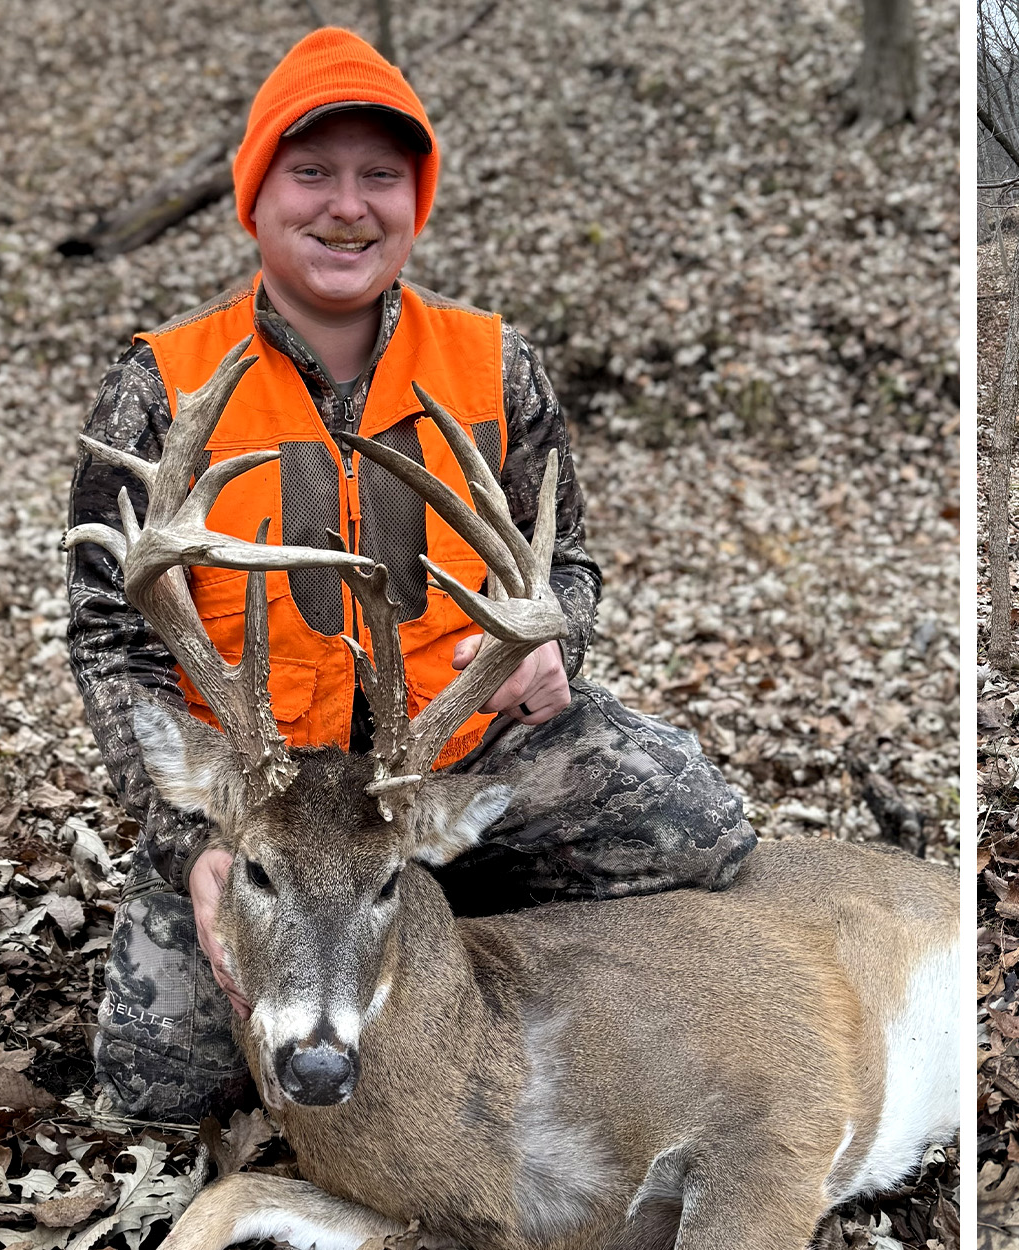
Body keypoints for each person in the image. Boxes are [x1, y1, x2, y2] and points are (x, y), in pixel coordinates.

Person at [68, 28, 756, 1121]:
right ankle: (353, 905)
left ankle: (436, 902)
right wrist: (199, 840)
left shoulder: (493, 363)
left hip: (443, 755)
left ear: (415, 199)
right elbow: (108, 633)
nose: (348, 206)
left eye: (380, 177)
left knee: (697, 824)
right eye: (312, 174)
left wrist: (550, 639)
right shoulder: (160, 384)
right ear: (255, 197)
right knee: (160, 1086)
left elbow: (564, 558)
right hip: (260, 788)